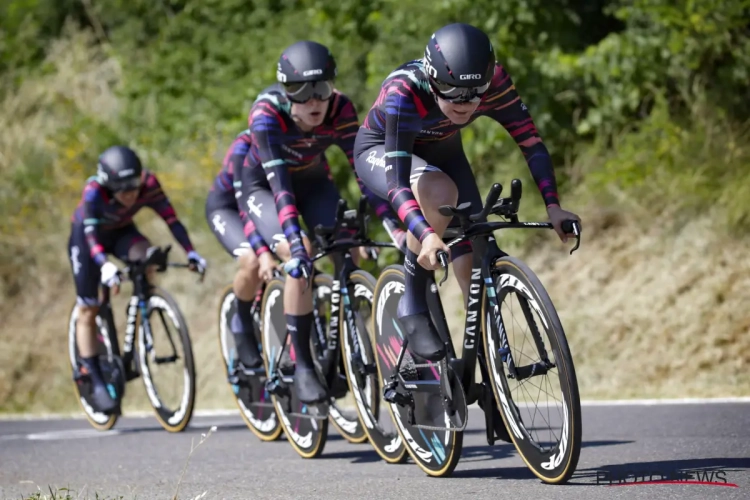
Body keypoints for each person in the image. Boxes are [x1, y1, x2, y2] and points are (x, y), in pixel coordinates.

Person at [353, 23, 582, 363]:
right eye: (451, 91)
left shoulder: (495, 82)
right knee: (439, 190)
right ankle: (411, 301)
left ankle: (490, 382)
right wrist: (427, 235)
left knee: (474, 262)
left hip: (444, 151)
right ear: (432, 80)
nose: (465, 103)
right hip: (381, 153)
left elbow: (531, 143)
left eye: (475, 93)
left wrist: (554, 206)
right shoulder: (404, 92)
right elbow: (398, 184)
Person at [237, 40, 406, 404]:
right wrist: (296, 247)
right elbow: (281, 190)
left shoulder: (341, 108)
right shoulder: (266, 116)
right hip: (266, 188)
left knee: (348, 243)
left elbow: (363, 171)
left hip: (313, 183)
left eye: (322, 89)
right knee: (304, 257)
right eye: (302, 92)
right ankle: (303, 367)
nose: (314, 101)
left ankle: (349, 327)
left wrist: (391, 224)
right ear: (286, 92)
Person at [68, 145, 207, 413]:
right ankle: (92, 373)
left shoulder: (149, 184)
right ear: (109, 186)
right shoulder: (94, 192)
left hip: (122, 232)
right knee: (89, 306)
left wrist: (191, 252)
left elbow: (171, 220)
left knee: (149, 258)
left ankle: (146, 307)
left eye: (135, 185)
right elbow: (91, 237)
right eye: (123, 189)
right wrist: (105, 266)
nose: (132, 193)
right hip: (87, 240)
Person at [205, 129, 280, 370]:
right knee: (253, 262)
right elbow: (244, 205)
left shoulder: (296, 137)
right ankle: (241, 323)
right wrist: (263, 252)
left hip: (261, 201)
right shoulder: (242, 147)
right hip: (228, 208)